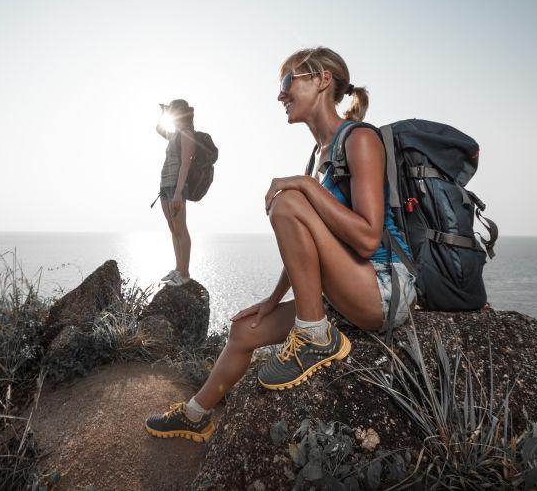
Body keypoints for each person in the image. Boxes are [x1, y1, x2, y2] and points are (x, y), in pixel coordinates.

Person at [145, 47, 417, 442]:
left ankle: (314, 336)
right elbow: (307, 250)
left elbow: (368, 236)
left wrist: (303, 186)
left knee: (286, 198)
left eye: (289, 81)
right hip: (346, 293)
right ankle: (195, 415)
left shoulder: (359, 139)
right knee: (243, 332)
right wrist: (271, 301)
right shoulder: (318, 158)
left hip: (382, 291)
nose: (280, 95)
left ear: (322, 80)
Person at [156, 99, 196, 287]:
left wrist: (179, 192)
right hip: (165, 185)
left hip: (176, 187)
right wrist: (164, 113)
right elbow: (159, 129)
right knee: (173, 229)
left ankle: (184, 273)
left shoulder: (187, 134)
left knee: (181, 229)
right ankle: (178, 269)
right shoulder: (175, 135)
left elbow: (186, 165)